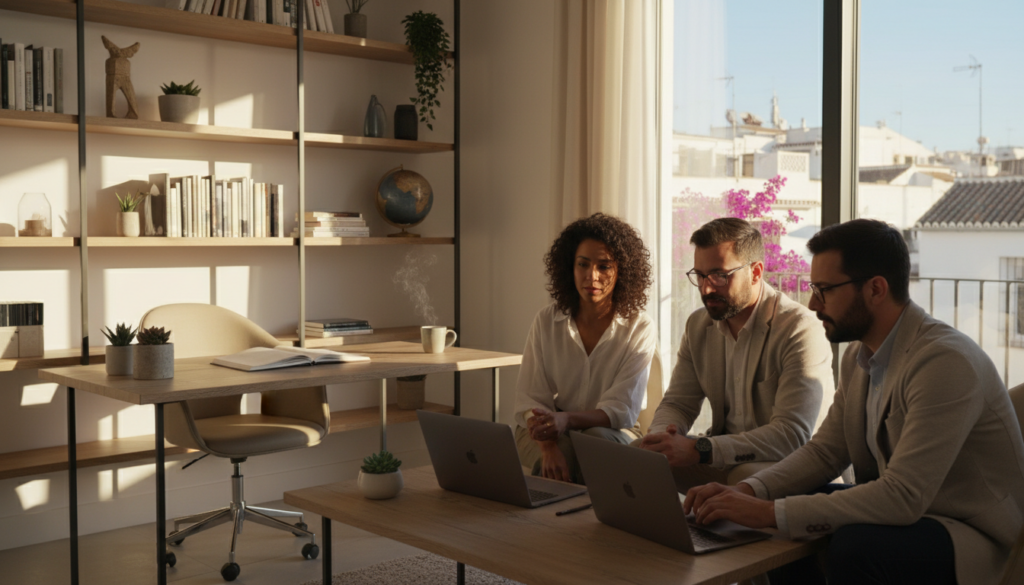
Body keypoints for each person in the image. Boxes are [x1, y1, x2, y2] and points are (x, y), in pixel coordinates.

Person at [684, 219, 1024, 585]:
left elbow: (902, 496)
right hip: (914, 512)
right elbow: (825, 452)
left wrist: (768, 512)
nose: (813, 303)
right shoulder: (859, 357)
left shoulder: (945, 361)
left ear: (876, 288)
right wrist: (746, 492)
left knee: (853, 544)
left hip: (972, 533)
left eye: (825, 290)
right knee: (793, 505)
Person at [639, 217, 833, 489]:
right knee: (638, 455)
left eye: (719, 275)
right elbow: (679, 403)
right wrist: (660, 438)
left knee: (745, 473)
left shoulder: (799, 328)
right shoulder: (698, 325)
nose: (707, 288)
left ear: (755, 272)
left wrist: (701, 450)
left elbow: (791, 435)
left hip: (786, 464)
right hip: (722, 457)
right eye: (700, 276)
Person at [514, 213, 656, 484]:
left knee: (595, 441)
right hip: (545, 427)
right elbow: (530, 399)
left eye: (604, 266)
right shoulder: (546, 320)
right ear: (570, 266)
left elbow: (621, 410)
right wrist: (548, 444)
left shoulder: (639, 327)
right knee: (560, 457)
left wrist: (566, 420)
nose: (592, 276)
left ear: (622, 270)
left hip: (613, 429)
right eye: (583, 264)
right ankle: (543, 524)